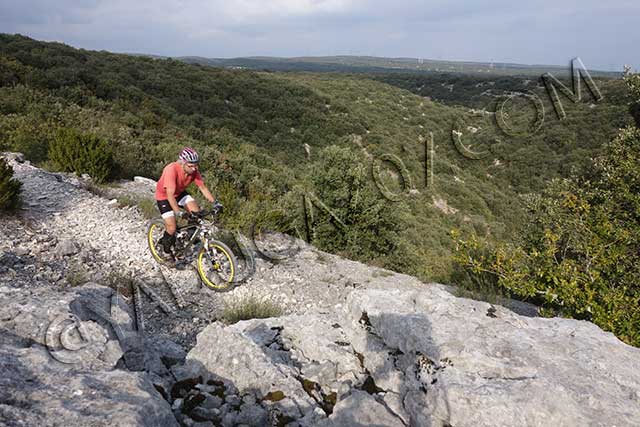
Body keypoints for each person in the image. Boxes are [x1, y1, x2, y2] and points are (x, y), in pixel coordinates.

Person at [155, 147, 222, 261]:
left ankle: (188, 239)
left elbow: (203, 188)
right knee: (172, 227)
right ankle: (164, 249)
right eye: (191, 166)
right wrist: (178, 212)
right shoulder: (171, 170)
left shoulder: (194, 171)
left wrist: (215, 202)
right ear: (182, 163)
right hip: (165, 196)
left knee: (196, 211)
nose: (194, 168)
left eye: (196, 165)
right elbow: (170, 195)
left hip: (179, 193)